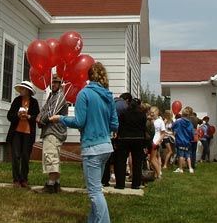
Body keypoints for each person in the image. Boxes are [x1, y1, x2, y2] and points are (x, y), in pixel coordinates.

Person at [50, 62, 118, 223]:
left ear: (88, 76)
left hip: (92, 148)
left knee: (94, 192)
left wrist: (61, 118)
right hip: (106, 147)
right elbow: (115, 125)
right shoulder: (108, 96)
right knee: (96, 189)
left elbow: (79, 122)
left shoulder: (84, 94)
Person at [36, 74, 68, 193]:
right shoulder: (52, 96)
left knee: (51, 157)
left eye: (56, 82)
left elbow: (50, 114)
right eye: (52, 82)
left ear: (60, 84)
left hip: (54, 131)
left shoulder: (59, 97)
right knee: (53, 157)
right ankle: (56, 184)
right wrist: (40, 117)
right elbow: (44, 109)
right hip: (49, 131)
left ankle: (50, 185)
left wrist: (40, 120)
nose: (53, 84)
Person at [6, 80, 39, 188]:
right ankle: (16, 179)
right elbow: (9, 116)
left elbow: (37, 117)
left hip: (28, 133)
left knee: (25, 156)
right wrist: (17, 115)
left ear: (28, 91)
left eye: (23, 89)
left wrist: (29, 116)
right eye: (21, 89)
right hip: (16, 132)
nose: (21, 90)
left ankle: (24, 179)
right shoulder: (16, 101)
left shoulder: (34, 102)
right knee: (16, 156)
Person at [115, 97, 146, 189]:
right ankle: (136, 184)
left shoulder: (123, 114)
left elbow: (119, 126)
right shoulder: (142, 115)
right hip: (138, 139)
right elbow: (143, 128)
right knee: (137, 162)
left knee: (121, 161)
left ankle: (120, 184)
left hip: (124, 138)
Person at [172, 108, 194, 174]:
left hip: (180, 140)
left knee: (180, 155)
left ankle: (180, 168)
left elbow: (172, 127)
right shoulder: (190, 123)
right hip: (187, 141)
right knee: (188, 156)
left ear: (182, 114)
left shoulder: (178, 121)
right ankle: (190, 168)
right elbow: (192, 132)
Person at [149, 106, 165, 179]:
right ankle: (156, 174)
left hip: (155, 141)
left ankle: (159, 174)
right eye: (150, 112)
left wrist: (158, 141)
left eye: (153, 112)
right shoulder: (150, 120)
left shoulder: (160, 121)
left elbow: (163, 133)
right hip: (151, 140)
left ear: (156, 112)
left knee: (152, 159)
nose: (151, 114)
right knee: (153, 159)